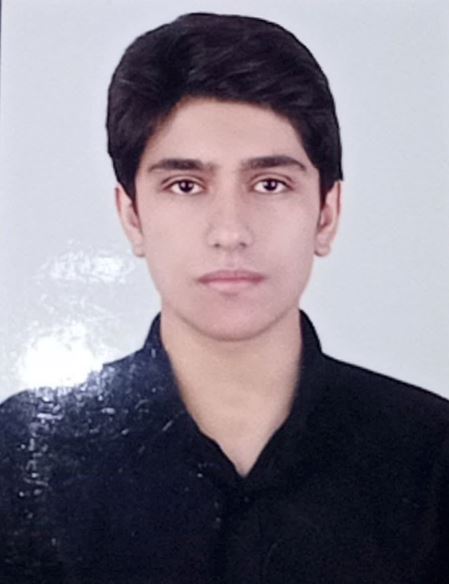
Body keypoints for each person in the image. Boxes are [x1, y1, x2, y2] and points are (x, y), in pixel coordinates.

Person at [0, 12, 448, 584]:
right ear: (132, 216)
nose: (230, 231)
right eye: (185, 185)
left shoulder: (431, 455)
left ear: (327, 214)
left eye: (270, 184)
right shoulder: (23, 452)